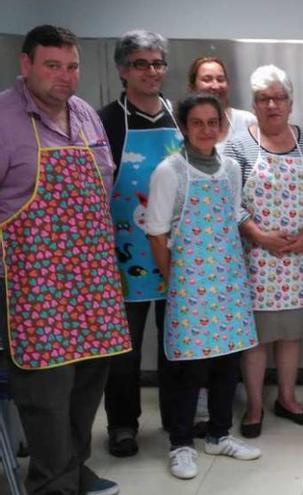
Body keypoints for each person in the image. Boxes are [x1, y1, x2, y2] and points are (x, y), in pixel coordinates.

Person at [0, 25, 129, 495]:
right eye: (52, 66)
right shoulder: (3, 118)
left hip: (92, 273)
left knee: (89, 377)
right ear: (26, 65)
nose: (65, 77)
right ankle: (53, 482)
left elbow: (103, 189)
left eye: (71, 66)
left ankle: (74, 466)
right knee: (46, 388)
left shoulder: (86, 117)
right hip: (32, 279)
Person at [145, 93, 260, 480]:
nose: (206, 130)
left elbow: (230, 217)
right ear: (184, 127)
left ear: (223, 127)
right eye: (198, 123)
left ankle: (218, 434)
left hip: (227, 283)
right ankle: (181, 444)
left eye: (213, 123)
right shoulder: (170, 171)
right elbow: (157, 235)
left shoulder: (229, 168)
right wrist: (174, 280)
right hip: (189, 287)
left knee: (226, 365)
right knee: (188, 371)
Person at [225, 65, 303, 437]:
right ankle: (253, 406)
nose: (272, 105)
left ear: (291, 103)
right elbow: (230, 201)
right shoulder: (238, 146)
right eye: (263, 99)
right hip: (255, 258)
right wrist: (258, 235)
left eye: (278, 98)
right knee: (256, 339)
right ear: (254, 104)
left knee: (291, 334)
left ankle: (287, 398)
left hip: (300, 258)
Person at [98, 29, 182, 456]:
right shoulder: (106, 120)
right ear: (122, 70)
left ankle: (177, 419)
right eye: (141, 64)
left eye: (157, 64)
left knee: (176, 343)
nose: (151, 72)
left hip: (175, 252)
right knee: (124, 350)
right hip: (124, 254)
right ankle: (123, 425)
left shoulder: (180, 116)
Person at [188, 56, 256, 153]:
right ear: (192, 87)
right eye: (207, 79)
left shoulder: (247, 121)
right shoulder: (183, 127)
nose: (215, 86)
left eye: (220, 79)